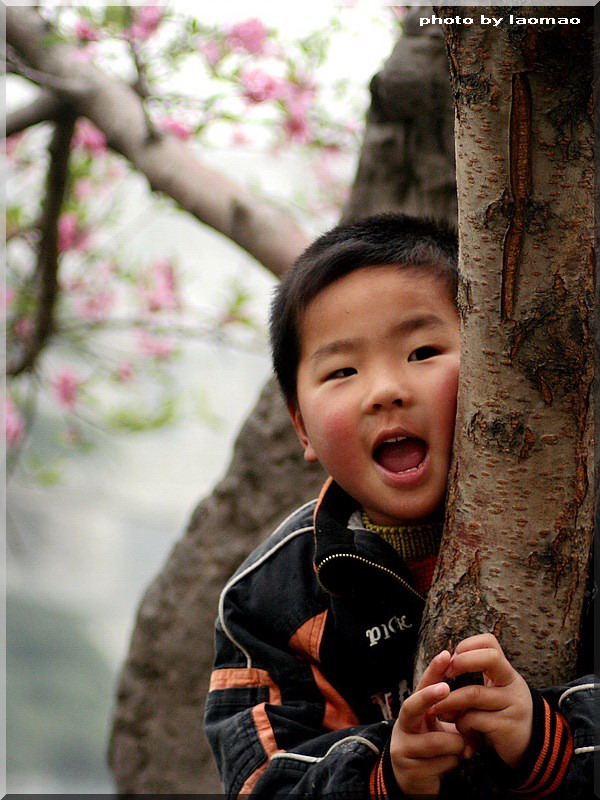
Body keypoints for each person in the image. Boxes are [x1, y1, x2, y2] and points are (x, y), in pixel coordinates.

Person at [204, 214, 596, 798]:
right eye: (342, 370)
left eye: (422, 351)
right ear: (301, 427)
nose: (386, 389)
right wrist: (386, 774)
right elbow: (264, 780)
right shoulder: (269, 600)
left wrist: (547, 740)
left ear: (495, 367)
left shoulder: (580, 527)